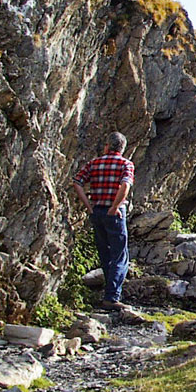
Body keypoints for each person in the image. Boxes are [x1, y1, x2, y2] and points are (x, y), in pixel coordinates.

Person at [72, 132, 135, 311]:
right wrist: (115, 206)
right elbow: (125, 185)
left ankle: (109, 292)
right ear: (122, 148)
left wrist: (89, 207)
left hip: (97, 211)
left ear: (107, 146)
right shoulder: (125, 164)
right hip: (114, 213)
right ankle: (112, 296)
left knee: (105, 253)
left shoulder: (94, 163)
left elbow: (77, 182)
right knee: (120, 255)